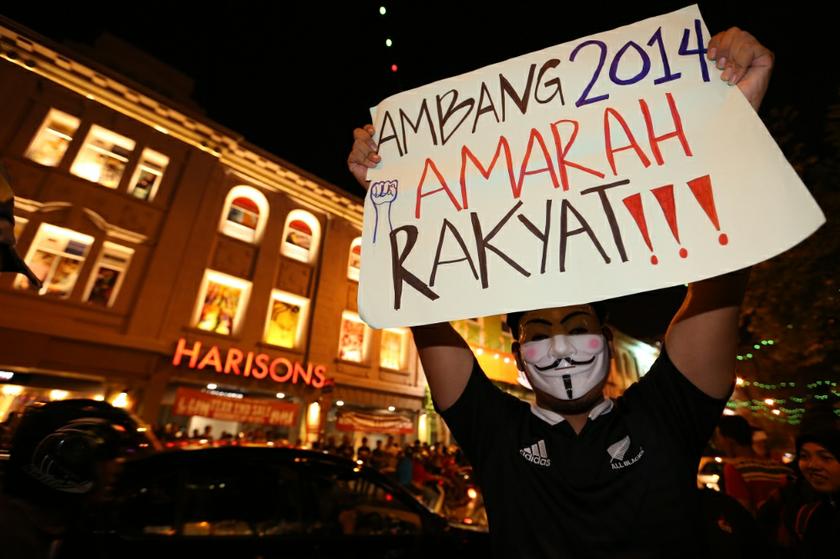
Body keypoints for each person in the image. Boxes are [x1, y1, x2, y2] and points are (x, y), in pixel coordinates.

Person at [348, 27, 773, 557]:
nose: (561, 347)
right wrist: (396, 196)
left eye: (576, 328)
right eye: (540, 333)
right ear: (517, 358)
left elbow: (722, 271)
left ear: (607, 337)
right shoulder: (495, 429)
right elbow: (418, 299)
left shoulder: (666, 413)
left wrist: (735, 126)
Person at [714, 415, 792, 516]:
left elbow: (741, 514)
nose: (719, 444)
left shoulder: (734, 469)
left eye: (719, 438)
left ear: (729, 441)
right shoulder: (782, 469)